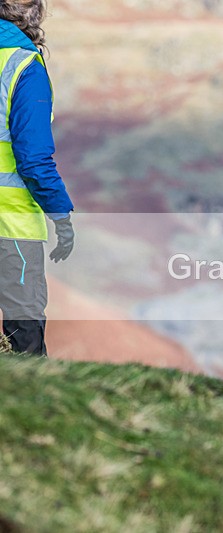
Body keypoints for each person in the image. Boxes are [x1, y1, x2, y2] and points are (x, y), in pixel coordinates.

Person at [0, 0, 74, 356]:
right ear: (34, 14)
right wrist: (61, 216)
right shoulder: (23, 66)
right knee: (24, 343)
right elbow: (33, 160)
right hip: (11, 227)